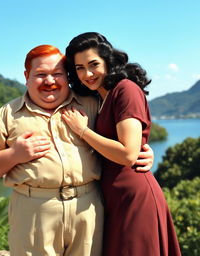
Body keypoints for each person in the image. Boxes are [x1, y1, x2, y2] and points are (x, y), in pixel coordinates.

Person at [0, 44, 154, 256]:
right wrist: (14, 155)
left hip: (88, 211)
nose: (50, 81)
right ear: (26, 76)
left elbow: (125, 138)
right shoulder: (8, 114)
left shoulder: (91, 103)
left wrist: (144, 151)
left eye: (57, 74)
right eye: (40, 74)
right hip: (33, 212)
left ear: (67, 76)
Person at [62, 32, 181, 256]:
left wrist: (82, 130)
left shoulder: (125, 90)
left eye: (93, 64)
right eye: (79, 68)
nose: (87, 74)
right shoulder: (97, 98)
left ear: (108, 60)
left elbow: (128, 153)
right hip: (113, 198)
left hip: (133, 196)